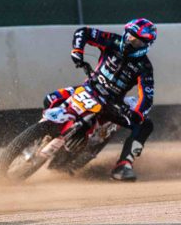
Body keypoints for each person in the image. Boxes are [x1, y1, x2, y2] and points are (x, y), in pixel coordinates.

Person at [43, 18, 157, 181]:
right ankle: (43, 134)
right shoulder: (113, 41)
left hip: (113, 103)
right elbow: (84, 32)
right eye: (130, 36)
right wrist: (77, 51)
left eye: (137, 41)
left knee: (146, 124)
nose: (131, 42)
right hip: (89, 88)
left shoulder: (144, 67)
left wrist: (136, 114)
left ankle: (123, 165)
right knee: (50, 99)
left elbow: (147, 96)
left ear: (146, 45)